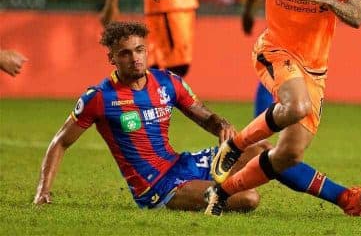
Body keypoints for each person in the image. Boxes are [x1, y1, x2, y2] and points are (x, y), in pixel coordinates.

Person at [153, 0, 361, 216]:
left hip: (315, 69)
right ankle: (235, 145)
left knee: (288, 156)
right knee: (296, 106)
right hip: (275, 51)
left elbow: (356, 16)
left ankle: (221, 193)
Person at [33, 21, 263, 211]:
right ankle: (213, 188)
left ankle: (223, 185)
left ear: (147, 50)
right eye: (125, 53)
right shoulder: (100, 98)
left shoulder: (167, 82)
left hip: (179, 164)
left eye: (139, 50)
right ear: (111, 58)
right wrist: (43, 191)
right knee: (249, 198)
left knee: (261, 149)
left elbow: (203, 115)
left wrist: (221, 124)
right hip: (156, 186)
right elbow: (61, 142)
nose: (135, 58)